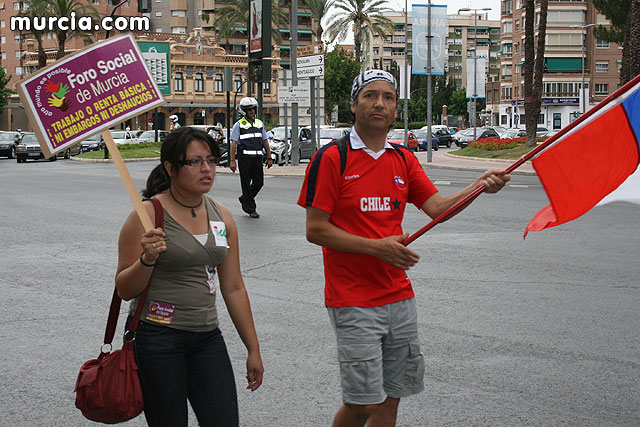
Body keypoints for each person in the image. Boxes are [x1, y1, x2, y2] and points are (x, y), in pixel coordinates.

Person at [297, 70, 510, 427]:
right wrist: (376, 248)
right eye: (370, 95)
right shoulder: (334, 157)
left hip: (399, 297)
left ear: (396, 109)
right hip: (353, 301)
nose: (380, 103)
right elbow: (315, 230)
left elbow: (438, 209)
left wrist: (478, 186)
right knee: (363, 403)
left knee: (391, 400)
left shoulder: (403, 159)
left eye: (388, 97)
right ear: (354, 105)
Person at [116, 126, 264, 426]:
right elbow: (124, 289)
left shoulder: (222, 215)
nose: (207, 169)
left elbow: (233, 287)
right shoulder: (146, 216)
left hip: (207, 338)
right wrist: (147, 259)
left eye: (211, 160)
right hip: (158, 339)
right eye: (195, 162)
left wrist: (253, 349)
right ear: (171, 168)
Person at [229, 97, 272, 218]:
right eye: (249, 109)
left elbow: (265, 141)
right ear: (244, 111)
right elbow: (233, 143)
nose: (252, 111)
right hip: (245, 159)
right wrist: (233, 161)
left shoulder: (259, 123)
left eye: (253, 109)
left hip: (257, 158)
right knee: (246, 184)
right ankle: (251, 209)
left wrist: (269, 157)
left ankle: (245, 198)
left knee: (259, 183)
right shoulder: (239, 125)